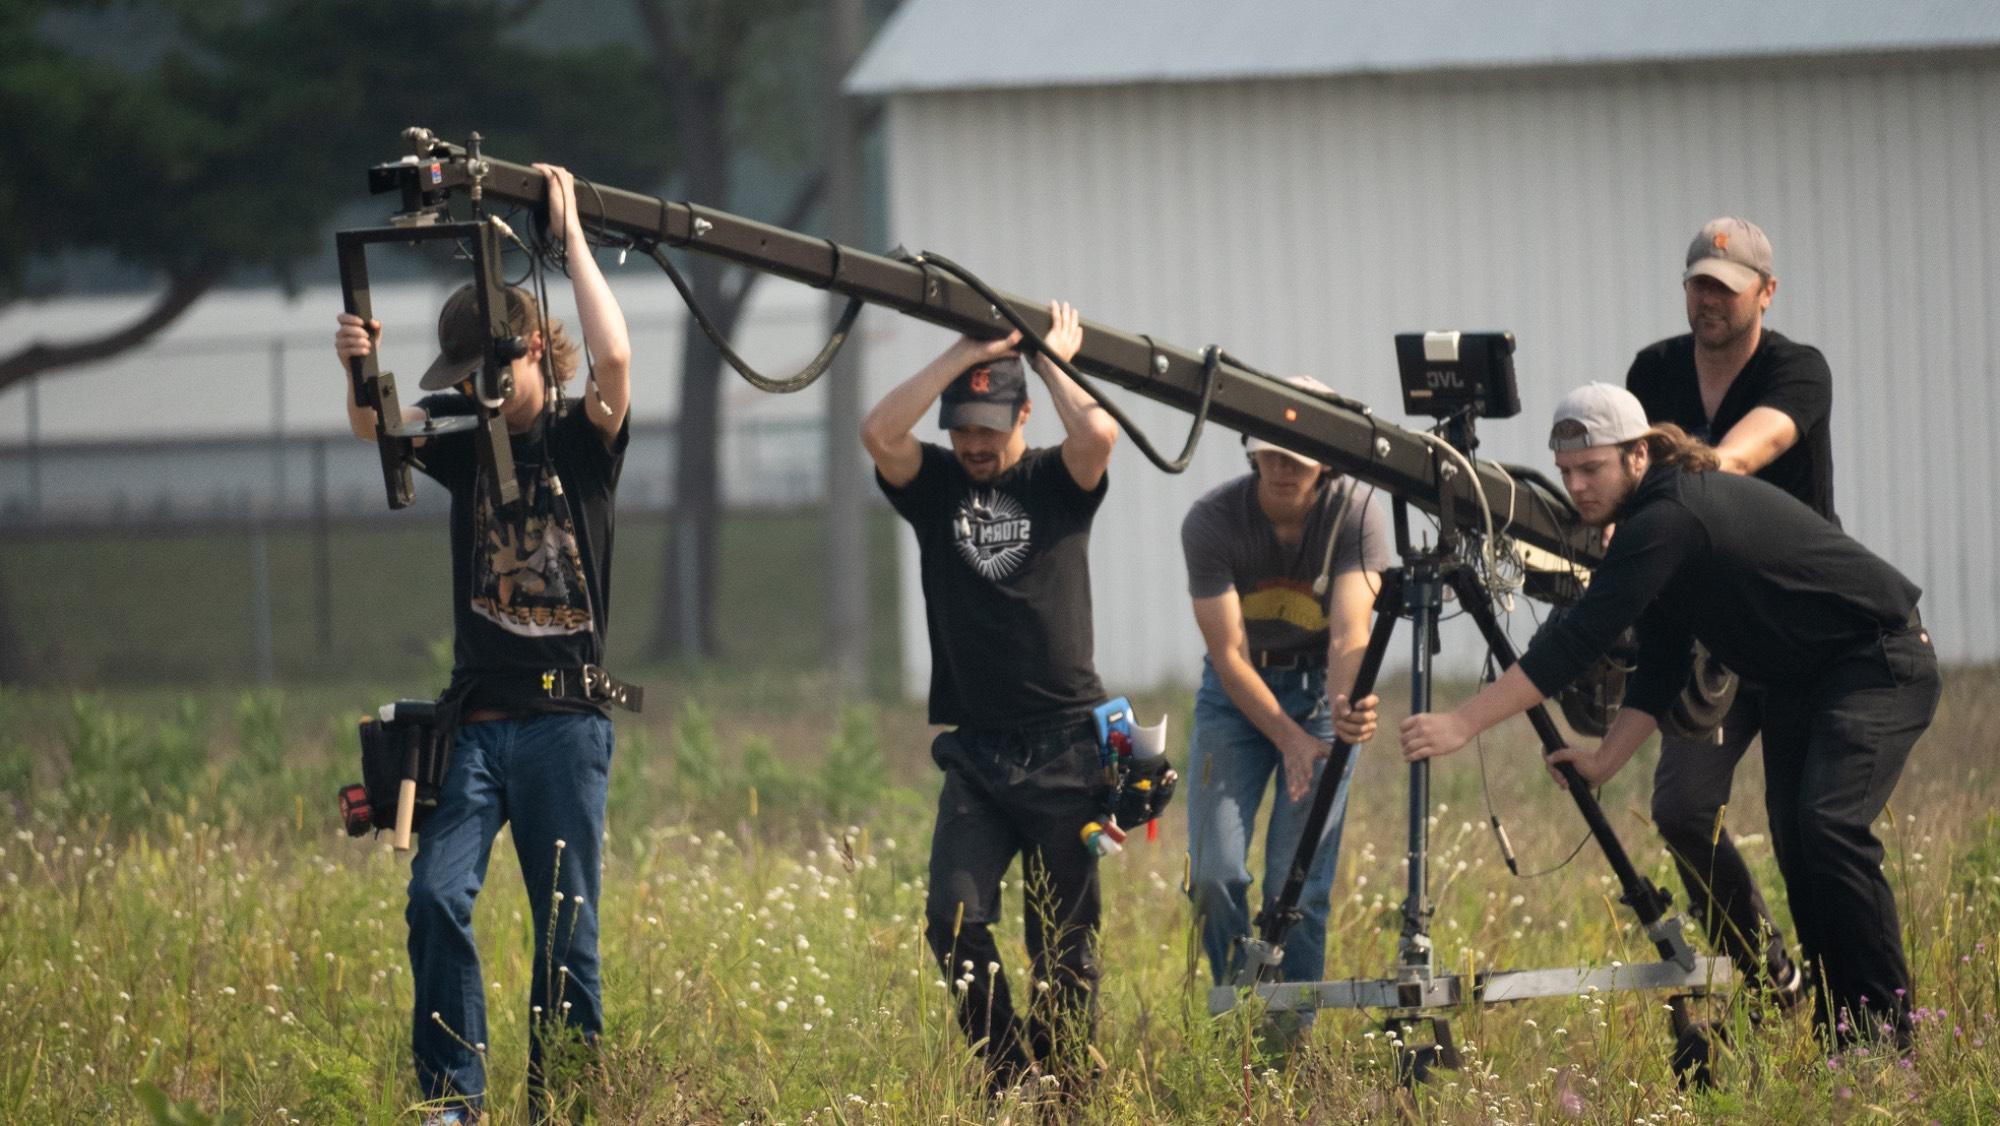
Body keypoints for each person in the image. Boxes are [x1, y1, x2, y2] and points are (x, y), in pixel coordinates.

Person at [1399, 382, 1940, 1050]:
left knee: (1829, 829)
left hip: (1877, 660)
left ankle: (1891, 1037)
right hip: (1807, 680)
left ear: (1638, 454)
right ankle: (1847, 1036)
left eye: (1591, 469)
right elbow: (1661, 663)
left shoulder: (1670, 514)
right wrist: (1603, 760)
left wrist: (1463, 723)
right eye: (1566, 473)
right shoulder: (1654, 523)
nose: (1576, 487)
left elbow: (1579, 639)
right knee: (1803, 851)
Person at [334, 164, 633, 1124]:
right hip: (477, 724)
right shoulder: (465, 446)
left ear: (534, 350)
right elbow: (378, 429)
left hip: (565, 724)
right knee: (435, 897)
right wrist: (356, 362)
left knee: (566, 931)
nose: (478, 392)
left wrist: (574, 238)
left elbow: (618, 365)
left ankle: (569, 1106)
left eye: (489, 373)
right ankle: (453, 1102)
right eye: (465, 380)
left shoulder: (583, 443)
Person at [860, 302, 1119, 1096]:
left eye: (989, 427)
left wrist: (1050, 359)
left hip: (1068, 745)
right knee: (953, 921)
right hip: (977, 750)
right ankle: (1010, 1072)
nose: (973, 444)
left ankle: (1067, 1093)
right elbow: (879, 432)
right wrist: (961, 354)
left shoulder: (1055, 482)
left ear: (1022, 417)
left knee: (1063, 950)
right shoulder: (935, 487)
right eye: (961, 427)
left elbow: (1100, 437)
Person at [1624, 216, 1835, 999]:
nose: (1708, 300)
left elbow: (1751, 449)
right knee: (1681, 806)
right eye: (1697, 285)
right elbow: (1625, 478)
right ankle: (1769, 969)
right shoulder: (1655, 370)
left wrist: (1684, 472)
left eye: (1726, 287)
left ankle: (1846, 1004)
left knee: (1802, 828)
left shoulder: (1798, 370)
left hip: (1795, 630)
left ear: (1765, 293)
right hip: (1706, 634)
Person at [1180, 387, 1388, 1020]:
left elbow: (1352, 633)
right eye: (1271, 452)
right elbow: (1229, 654)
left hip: (1322, 693)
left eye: (1298, 456)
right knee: (1216, 872)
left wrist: (1345, 706)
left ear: (1326, 459)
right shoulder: (1212, 520)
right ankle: (1235, 1009)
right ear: (1252, 448)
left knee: (1299, 885)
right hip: (1237, 696)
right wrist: (1288, 739)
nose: (1283, 466)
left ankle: (1289, 1036)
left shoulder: (1356, 516)